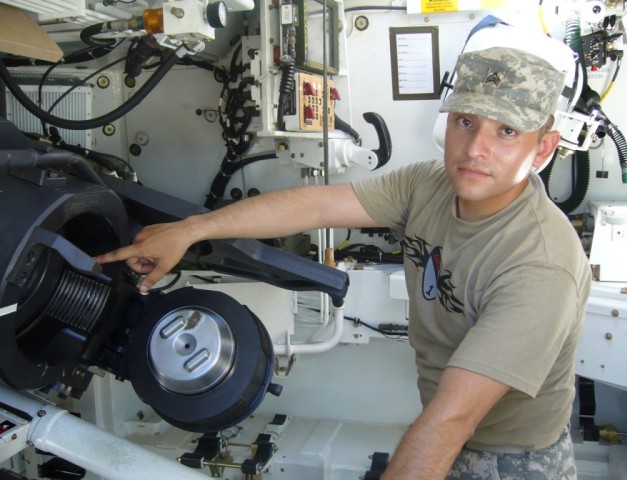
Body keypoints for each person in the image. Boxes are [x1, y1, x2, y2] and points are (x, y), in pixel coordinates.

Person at [97, 46, 591, 479]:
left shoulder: (540, 266)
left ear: (543, 147)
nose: (476, 149)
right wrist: (192, 229)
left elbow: (453, 419)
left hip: (513, 459)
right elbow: (315, 205)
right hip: (450, 429)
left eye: (507, 132)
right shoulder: (428, 185)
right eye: (466, 121)